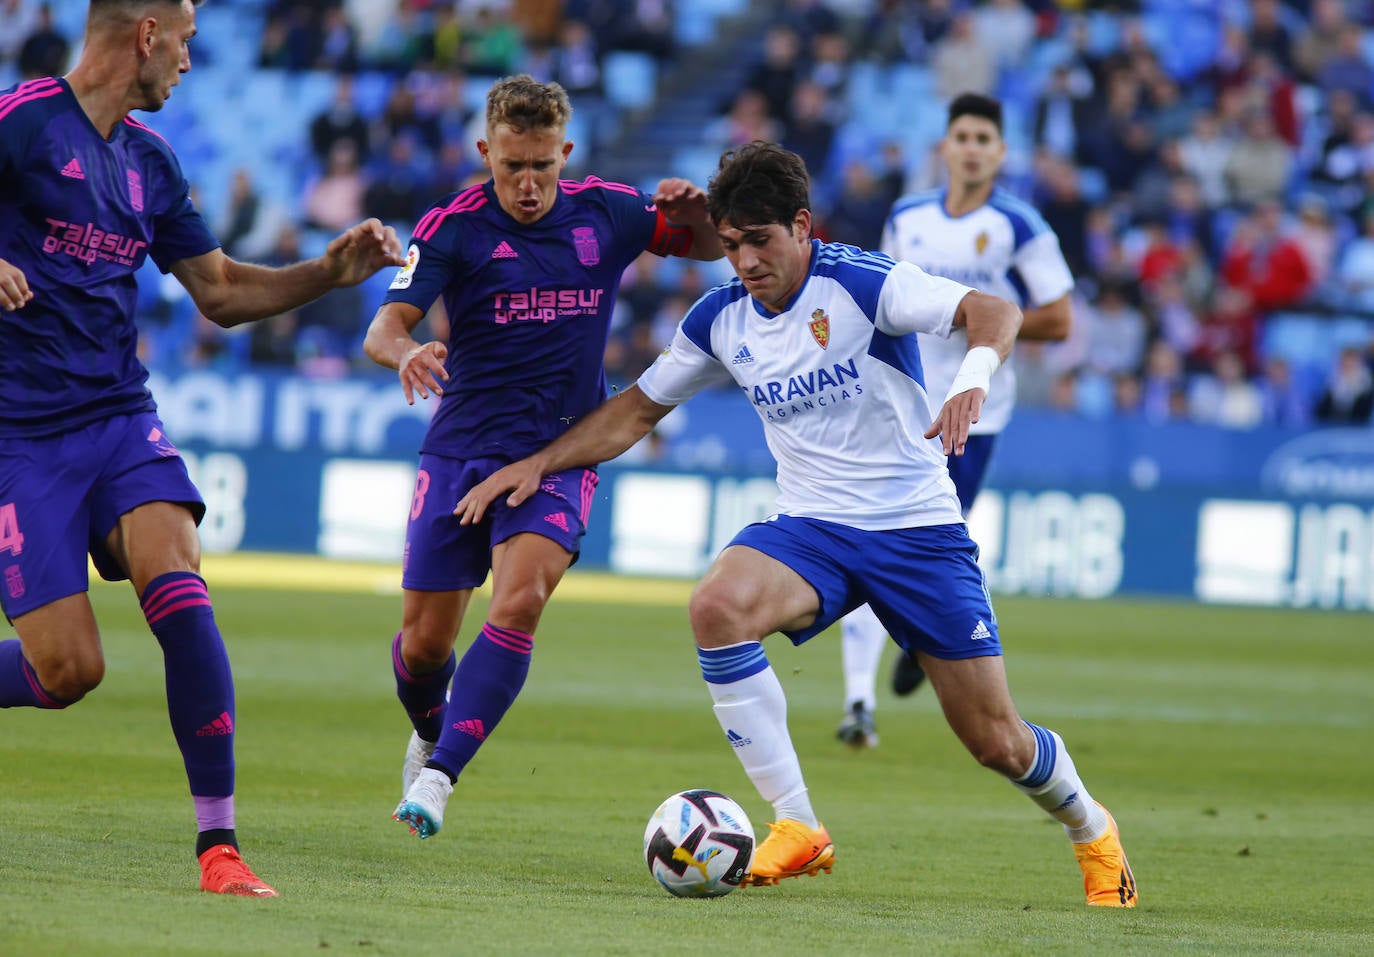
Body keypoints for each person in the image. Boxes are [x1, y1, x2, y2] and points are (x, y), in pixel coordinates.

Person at [453, 141, 1137, 907]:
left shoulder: (859, 282)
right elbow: (635, 410)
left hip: (915, 530)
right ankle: (799, 823)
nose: (744, 259)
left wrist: (972, 380)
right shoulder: (721, 319)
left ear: (802, 226)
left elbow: (996, 311)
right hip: (811, 525)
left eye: (760, 240)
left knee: (995, 740)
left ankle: (1090, 826)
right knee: (716, 606)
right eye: (732, 243)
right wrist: (539, 464)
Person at [0, 0, 404, 897]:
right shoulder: (23, 122)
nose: (188, 61)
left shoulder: (150, 161)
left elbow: (219, 291)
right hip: (18, 437)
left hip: (117, 415)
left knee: (178, 580)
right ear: (146, 33)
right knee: (69, 671)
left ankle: (218, 847)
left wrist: (328, 274)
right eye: (182, 40)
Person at [362, 74, 722, 841]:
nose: (527, 185)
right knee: (425, 646)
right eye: (511, 167)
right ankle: (431, 728)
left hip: (560, 448)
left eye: (542, 167)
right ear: (486, 151)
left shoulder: (611, 212)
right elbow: (383, 326)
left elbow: (711, 246)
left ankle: (439, 774)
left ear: (566, 152)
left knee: (520, 598)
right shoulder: (452, 226)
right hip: (461, 446)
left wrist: (702, 221)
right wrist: (406, 349)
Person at [836, 92, 1074, 748]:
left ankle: (923, 634)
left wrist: (981, 323)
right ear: (944, 147)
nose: (970, 148)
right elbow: (881, 296)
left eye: (983, 139)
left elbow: (1058, 315)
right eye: (961, 136)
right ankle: (858, 700)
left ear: (1000, 153)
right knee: (870, 530)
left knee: (917, 538)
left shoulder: (1017, 226)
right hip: (902, 399)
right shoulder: (907, 218)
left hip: (976, 410)